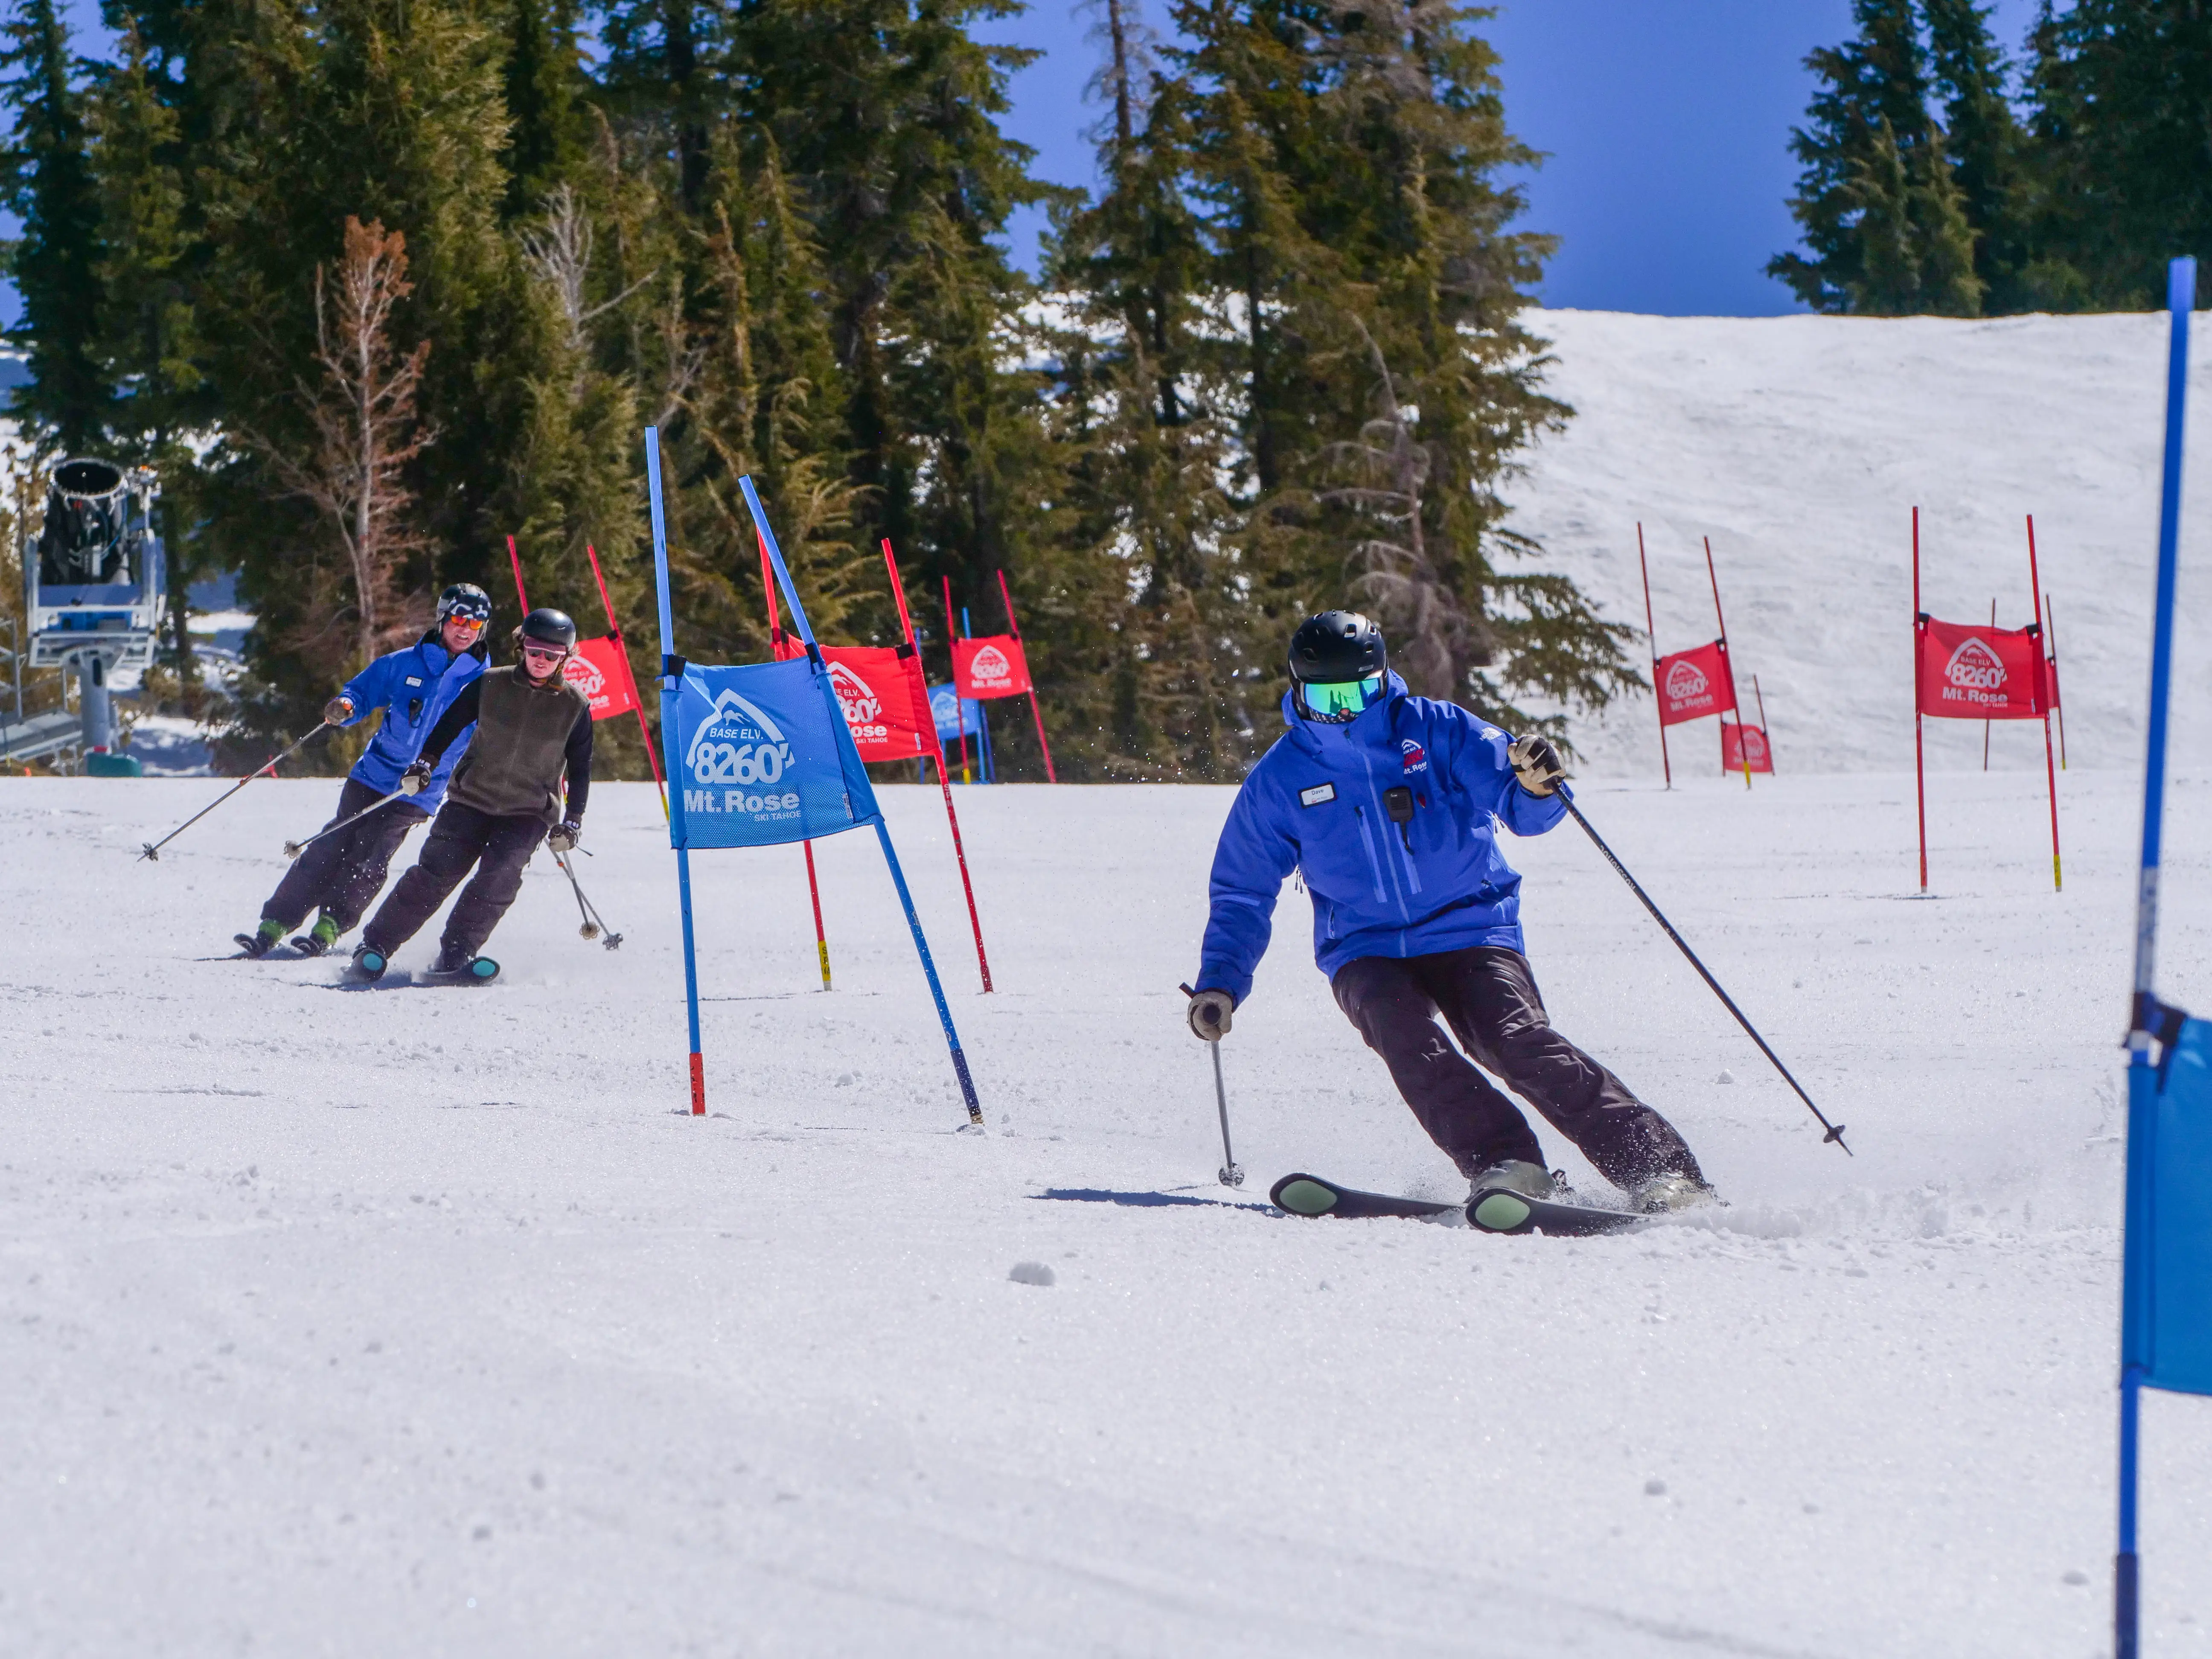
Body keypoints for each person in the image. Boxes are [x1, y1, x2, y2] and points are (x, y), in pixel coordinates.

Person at [1185, 611, 1714, 1213]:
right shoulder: (1280, 779)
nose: (1344, 710)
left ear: (1382, 678)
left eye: (1358, 692)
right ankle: (1506, 1163)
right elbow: (1243, 890)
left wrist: (1540, 786)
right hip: (1365, 946)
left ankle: (1661, 1171)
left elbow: (1521, 808)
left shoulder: (1438, 730)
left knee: (1515, 1041)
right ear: (1297, 691)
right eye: (1325, 696)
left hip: (1471, 923)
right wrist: (1221, 983)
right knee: (1406, 1039)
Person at [235, 583, 492, 957]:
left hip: (419, 789)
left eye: (476, 623)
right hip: (374, 773)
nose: (465, 629)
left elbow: (505, 729)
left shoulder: (487, 682)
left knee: (372, 854)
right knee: (330, 845)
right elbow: (362, 691)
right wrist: (345, 705)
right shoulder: (406, 663)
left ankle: (331, 925)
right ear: (443, 619)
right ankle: (274, 924)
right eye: (458, 619)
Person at [351, 607, 592, 982]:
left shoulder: (575, 707)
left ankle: (457, 954)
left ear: (565, 658)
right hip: (471, 799)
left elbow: (580, 769)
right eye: (534, 650)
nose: (541, 661)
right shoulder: (490, 684)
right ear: (521, 647)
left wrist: (573, 821)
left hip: (527, 812)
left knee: (499, 877)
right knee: (435, 873)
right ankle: (375, 947)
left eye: (552, 655)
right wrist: (425, 764)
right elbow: (448, 725)